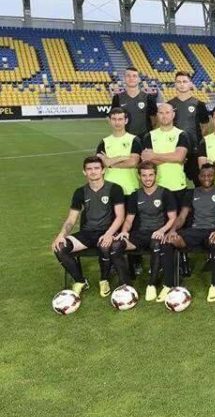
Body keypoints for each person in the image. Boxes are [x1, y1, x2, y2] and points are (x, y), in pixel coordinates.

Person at [51, 156, 127, 297]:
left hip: (106, 231)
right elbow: (71, 219)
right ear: (84, 172)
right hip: (87, 233)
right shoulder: (80, 192)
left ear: (103, 170)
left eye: (96, 168)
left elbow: (120, 216)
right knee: (60, 247)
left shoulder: (114, 189)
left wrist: (109, 234)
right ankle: (80, 281)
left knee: (105, 245)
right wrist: (61, 235)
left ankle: (104, 280)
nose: (93, 171)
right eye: (89, 169)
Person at [166, 163, 215, 302]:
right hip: (195, 231)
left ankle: (214, 285)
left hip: (213, 231)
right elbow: (182, 216)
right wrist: (172, 230)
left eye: (210, 175)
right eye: (203, 175)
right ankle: (168, 284)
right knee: (170, 241)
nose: (206, 178)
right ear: (199, 177)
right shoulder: (191, 193)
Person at [117, 162, 178, 302]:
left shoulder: (165, 193)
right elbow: (129, 219)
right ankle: (126, 286)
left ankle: (151, 284)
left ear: (156, 175)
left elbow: (173, 218)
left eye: (150, 175)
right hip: (141, 234)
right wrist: (124, 231)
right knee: (116, 246)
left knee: (156, 244)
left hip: (159, 234)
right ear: (139, 176)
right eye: (144, 175)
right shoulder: (135, 195)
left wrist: (162, 230)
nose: (147, 178)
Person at [140, 102, 189, 205]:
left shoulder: (181, 134)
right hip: (156, 187)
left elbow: (179, 157)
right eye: (161, 113)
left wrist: (155, 155)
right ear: (157, 115)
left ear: (173, 114)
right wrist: (173, 158)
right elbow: (148, 162)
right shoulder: (149, 136)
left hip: (177, 185)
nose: (164, 116)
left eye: (167, 112)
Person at [168, 71, 209, 184]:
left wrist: (197, 141)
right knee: (174, 181)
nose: (182, 84)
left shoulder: (199, 104)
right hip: (174, 150)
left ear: (190, 84)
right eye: (179, 82)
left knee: (198, 181)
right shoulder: (169, 104)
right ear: (175, 84)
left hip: (194, 149)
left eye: (185, 81)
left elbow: (205, 126)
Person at [96, 106, 142, 196]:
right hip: (109, 189)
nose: (117, 122)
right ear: (109, 120)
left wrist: (110, 163)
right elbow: (99, 164)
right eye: (114, 119)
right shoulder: (104, 142)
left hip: (130, 188)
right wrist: (122, 158)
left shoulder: (134, 140)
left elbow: (133, 162)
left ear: (126, 121)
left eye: (120, 119)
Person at [110, 66, 157, 137]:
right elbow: (113, 118)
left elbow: (154, 120)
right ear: (124, 79)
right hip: (124, 139)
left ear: (139, 79)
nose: (131, 78)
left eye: (134, 76)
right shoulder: (117, 98)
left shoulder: (149, 98)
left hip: (144, 139)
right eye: (128, 76)